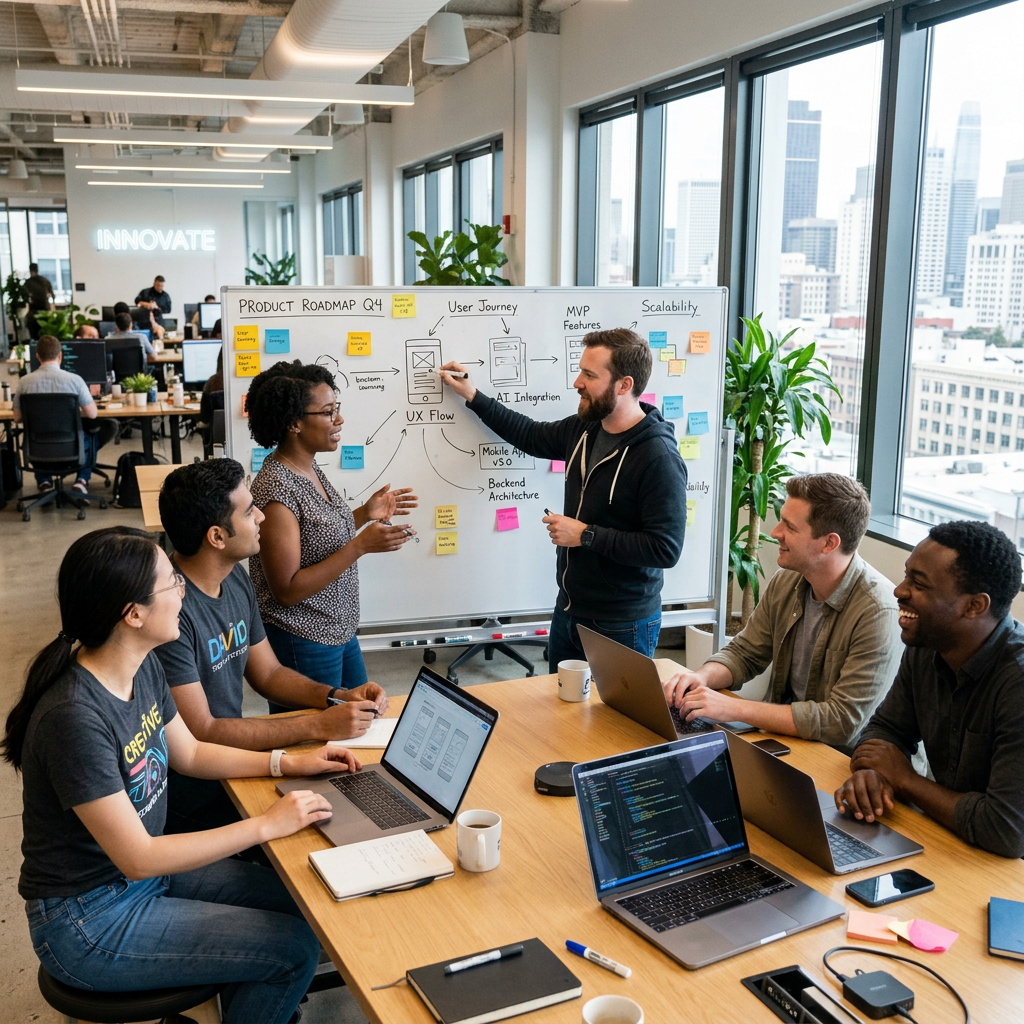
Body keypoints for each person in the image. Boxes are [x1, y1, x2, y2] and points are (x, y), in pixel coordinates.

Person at [2, 526, 361, 1023]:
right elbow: (139, 858)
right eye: (171, 582)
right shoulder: (74, 717)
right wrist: (265, 824)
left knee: (302, 900)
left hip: (137, 883)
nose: (183, 590)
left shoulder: (140, 663)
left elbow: (190, 753)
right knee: (293, 949)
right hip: (87, 919)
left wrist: (286, 762)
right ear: (133, 615)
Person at [155, 459, 388, 836]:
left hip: (235, 763)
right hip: (196, 791)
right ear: (217, 536)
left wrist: (336, 697)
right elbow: (204, 732)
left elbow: (268, 673)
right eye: (249, 512)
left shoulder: (233, 579)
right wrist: (316, 723)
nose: (262, 517)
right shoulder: (170, 613)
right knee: (331, 826)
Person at [440, 328, 687, 672]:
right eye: (580, 371)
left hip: (621, 623)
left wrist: (585, 534)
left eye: (589, 374)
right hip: (569, 611)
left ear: (624, 385)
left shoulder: (657, 456)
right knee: (563, 717)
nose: (577, 382)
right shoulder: (584, 430)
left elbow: (665, 549)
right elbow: (527, 433)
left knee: (613, 725)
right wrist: (472, 394)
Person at [662, 474, 901, 749]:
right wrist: (700, 677)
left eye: (789, 526)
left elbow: (840, 723)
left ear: (829, 543)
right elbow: (745, 653)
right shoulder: (787, 580)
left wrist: (732, 708)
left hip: (848, 764)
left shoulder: (878, 612)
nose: (775, 533)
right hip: (787, 742)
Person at [835, 520, 1024, 858]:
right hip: (951, 843)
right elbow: (886, 730)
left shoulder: (1017, 683)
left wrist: (905, 780)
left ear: (974, 606)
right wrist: (871, 775)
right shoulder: (928, 644)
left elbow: (1006, 829)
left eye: (918, 583)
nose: (899, 590)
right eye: (907, 575)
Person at [247, 360, 418, 704]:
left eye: (336, 409)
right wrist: (359, 547)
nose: (339, 420)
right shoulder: (277, 490)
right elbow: (288, 590)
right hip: (302, 637)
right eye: (328, 412)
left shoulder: (307, 467)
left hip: (337, 630)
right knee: (317, 745)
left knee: (360, 723)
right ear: (294, 423)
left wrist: (363, 514)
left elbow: (316, 537)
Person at [13, 334, 99, 496]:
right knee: (93, 436)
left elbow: (17, 418)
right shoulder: (75, 380)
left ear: (37, 356)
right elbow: (92, 414)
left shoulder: (24, 382)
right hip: (71, 446)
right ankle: (81, 480)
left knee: (38, 433)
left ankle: (44, 482)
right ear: (60, 355)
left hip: (37, 449)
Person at [25, 262, 54, 340]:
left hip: (35, 313)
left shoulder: (28, 283)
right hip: (44, 312)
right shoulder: (45, 281)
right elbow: (52, 296)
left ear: (30, 270)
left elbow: (25, 299)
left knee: (34, 337)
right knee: (45, 337)